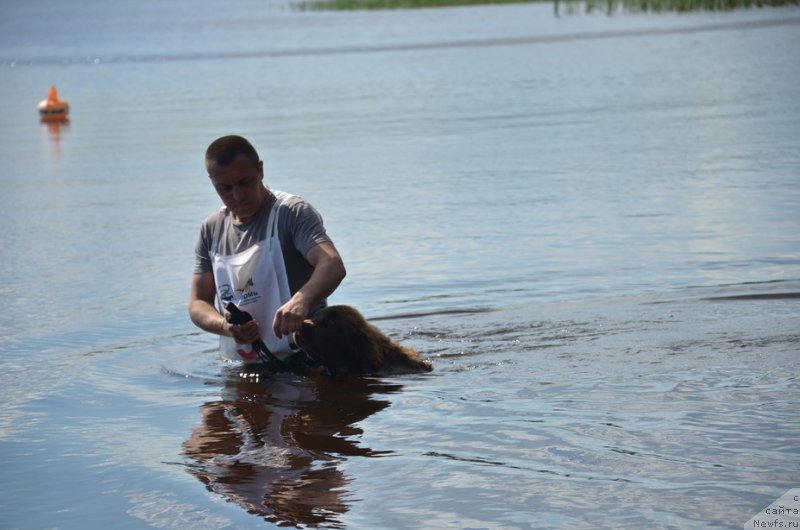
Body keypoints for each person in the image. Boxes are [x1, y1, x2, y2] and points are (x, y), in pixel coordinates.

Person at [188, 135, 346, 365]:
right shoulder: (211, 229)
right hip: (248, 362)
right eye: (225, 188)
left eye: (245, 182)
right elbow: (198, 303)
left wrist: (301, 300)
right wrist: (225, 326)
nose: (237, 195)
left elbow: (332, 264)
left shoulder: (291, 213)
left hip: (307, 356)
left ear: (260, 170)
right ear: (212, 181)